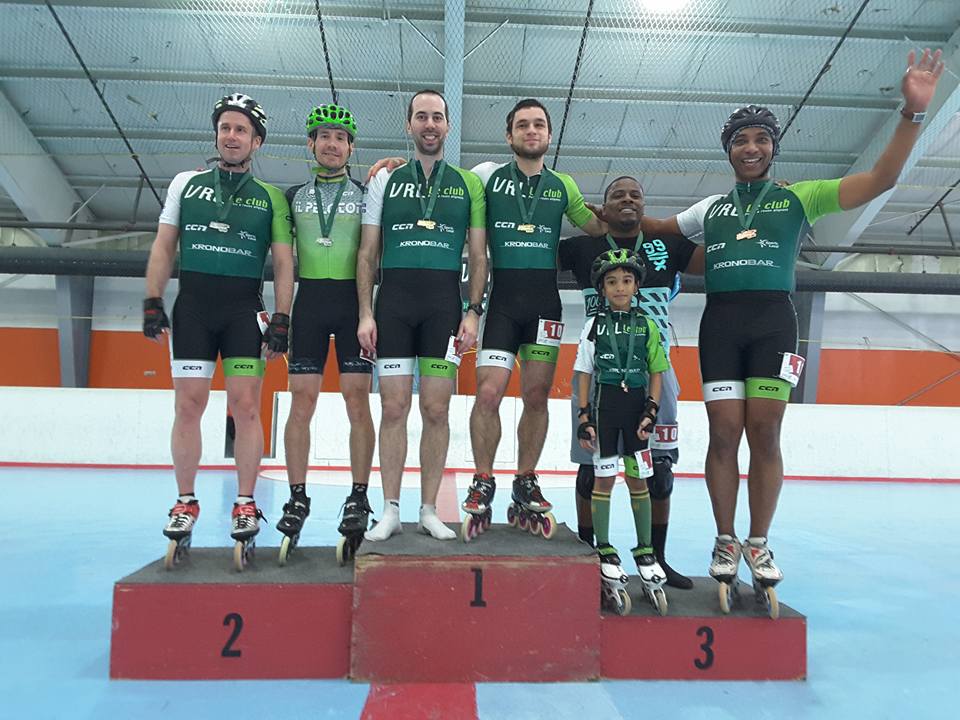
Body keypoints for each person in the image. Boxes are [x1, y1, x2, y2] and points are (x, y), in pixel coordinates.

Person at [641, 49, 945, 609]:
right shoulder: (710, 208)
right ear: (728, 151)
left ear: (773, 147)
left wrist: (912, 113)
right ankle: (725, 540)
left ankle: (758, 541)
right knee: (724, 434)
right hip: (721, 326)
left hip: (774, 324)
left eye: (760, 139)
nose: (751, 148)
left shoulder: (800, 198)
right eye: (740, 140)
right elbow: (653, 225)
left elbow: (881, 178)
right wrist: (595, 212)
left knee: (766, 433)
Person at [144, 93, 294, 560]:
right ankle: (185, 501)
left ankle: (245, 503)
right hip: (193, 309)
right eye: (226, 128)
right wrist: (152, 299)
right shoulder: (186, 184)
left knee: (246, 406)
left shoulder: (270, 197)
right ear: (216, 134)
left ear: (257, 141)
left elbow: (285, 263)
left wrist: (282, 317)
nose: (232, 136)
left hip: (242, 312)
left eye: (241, 130)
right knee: (188, 405)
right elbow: (165, 245)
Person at [462, 98, 606, 533]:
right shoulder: (486, 177)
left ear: (548, 134)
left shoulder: (564, 185)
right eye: (522, 125)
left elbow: (597, 226)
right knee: (488, 394)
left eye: (538, 124)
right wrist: (396, 163)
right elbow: (442, 183)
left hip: (545, 306)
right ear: (509, 136)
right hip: (501, 304)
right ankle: (483, 480)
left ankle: (525, 480)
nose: (531, 131)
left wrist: (632, 216)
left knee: (537, 396)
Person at [357, 89, 487, 542]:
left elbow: (477, 253)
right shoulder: (384, 180)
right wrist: (365, 312)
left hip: (443, 308)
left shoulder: (468, 183)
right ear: (409, 125)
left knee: (436, 408)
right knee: (392, 407)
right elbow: (368, 250)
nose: (429, 124)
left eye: (437, 117)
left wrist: (473, 312)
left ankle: (429, 509)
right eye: (421, 117)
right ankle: (390, 509)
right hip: (392, 306)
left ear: (448, 126)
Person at [560, 175, 703, 588]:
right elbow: (528, 246)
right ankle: (589, 556)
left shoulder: (671, 246)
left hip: (655, 375)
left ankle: (656, 558)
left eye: (635, 195)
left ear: (645, 206)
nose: (627, 200)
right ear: (602, 207)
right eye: (617, 195)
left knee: (659, 469)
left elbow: (724, 255)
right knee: (591, 469)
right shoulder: (581, 248)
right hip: (599, 374)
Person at [277, 104, 376, 560]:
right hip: (309, 304)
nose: (332, 144)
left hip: (354, 305)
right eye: (324, 136)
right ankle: (297, 496)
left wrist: (367, 312)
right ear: (311, 144)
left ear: (351, 148)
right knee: (302, 402)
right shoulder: (292, 195)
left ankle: (359, 494)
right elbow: (280, 259)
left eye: (340, 137)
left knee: (358, 401)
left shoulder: (368, 193)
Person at [574, 248, 670, 615]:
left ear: (636, 286)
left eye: (626, 281)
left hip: (636, 414)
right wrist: (584, 416)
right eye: (612, 282)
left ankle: (645, 549)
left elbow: (657, 371)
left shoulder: (646, 325)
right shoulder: (593, 326)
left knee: (639, 479)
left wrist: (652, 409)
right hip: (604, 410)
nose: (619, 287)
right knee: (603, 480)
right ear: (601, 288)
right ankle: (605, 545)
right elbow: (584, 372)